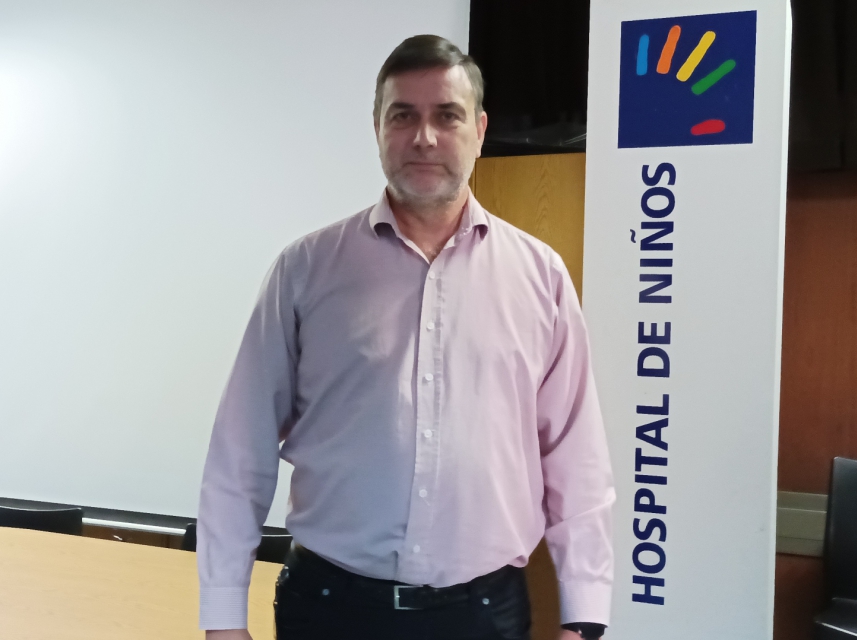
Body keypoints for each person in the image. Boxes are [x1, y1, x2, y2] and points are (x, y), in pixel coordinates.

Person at [197, 34, 614, 640]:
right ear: (377, 128)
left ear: (479, 129)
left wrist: (585, 616)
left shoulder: (540, 277)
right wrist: (222, 619)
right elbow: (241, 450)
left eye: (447, 115)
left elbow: (576, 456)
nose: (424, 137)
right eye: (402, 116)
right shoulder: (306, 271)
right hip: (329, 610)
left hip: (484, 616)